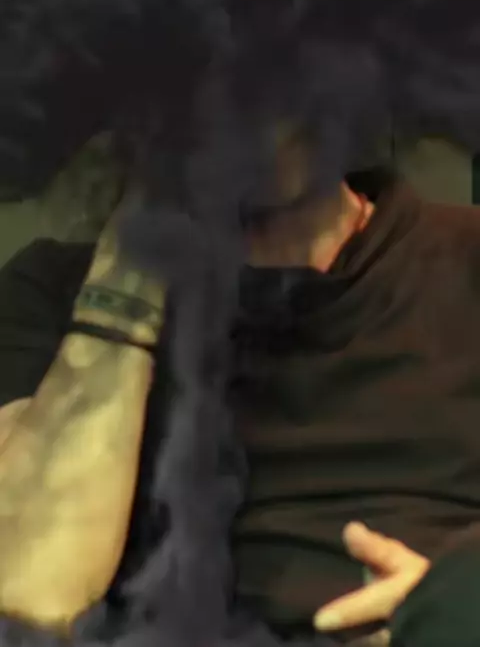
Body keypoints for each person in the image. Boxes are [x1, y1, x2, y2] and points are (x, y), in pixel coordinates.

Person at [0, 165, 480, 646]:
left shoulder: (463, 257)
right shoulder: (52, 291)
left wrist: (447, 600)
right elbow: (28, 598)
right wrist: (128, 275)